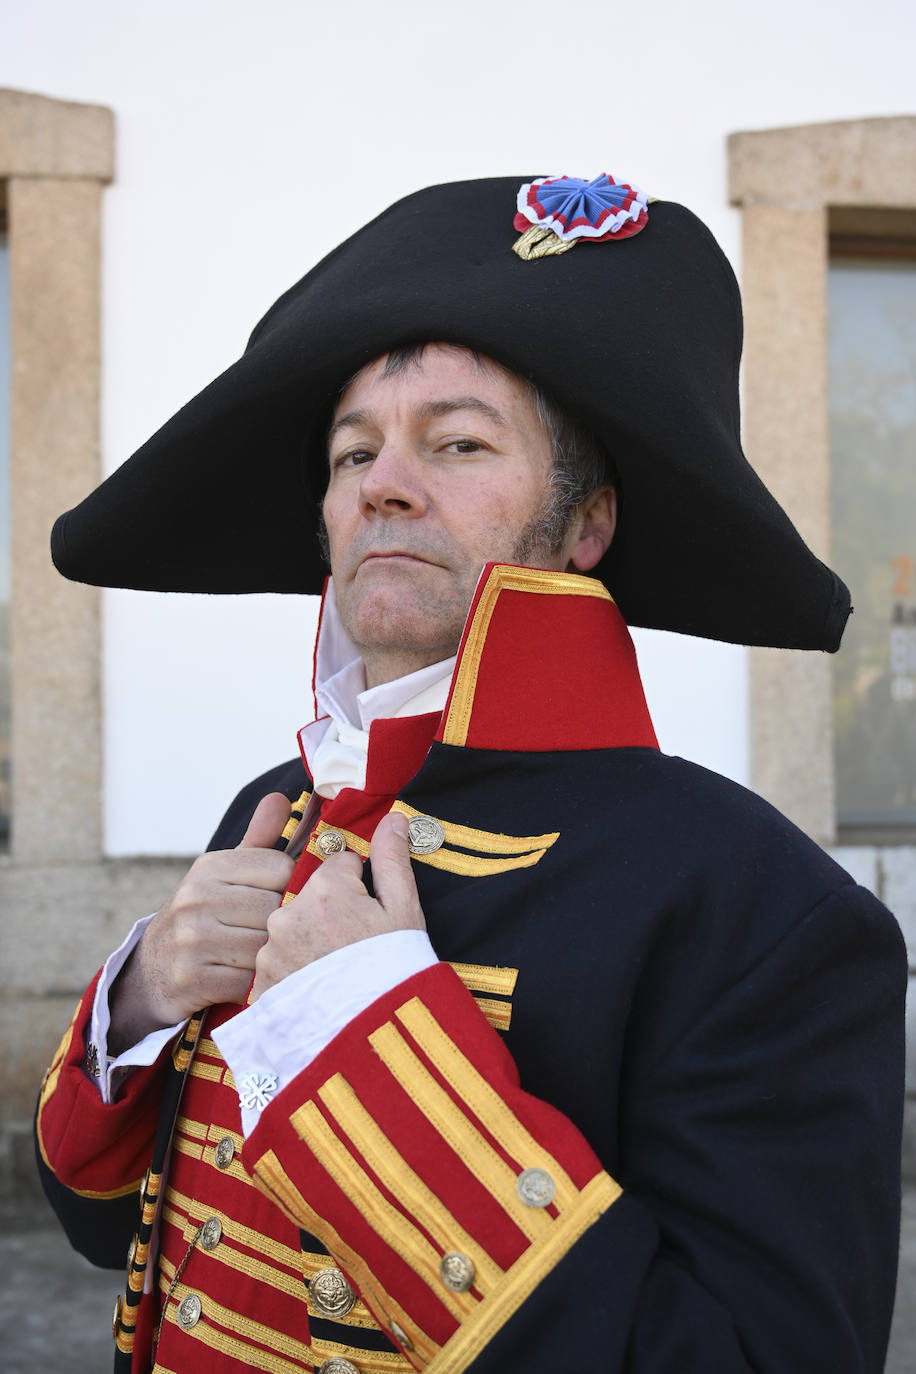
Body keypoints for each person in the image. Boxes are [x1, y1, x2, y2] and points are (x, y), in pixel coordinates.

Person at [36, 174, 906, 1374]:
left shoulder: (764, 911)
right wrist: (136, 1009)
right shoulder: (272, 812)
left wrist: (371, 1060)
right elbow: (105, 1229)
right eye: (352, 454)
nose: (381, 483)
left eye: (456, 443)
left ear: (586, 525)